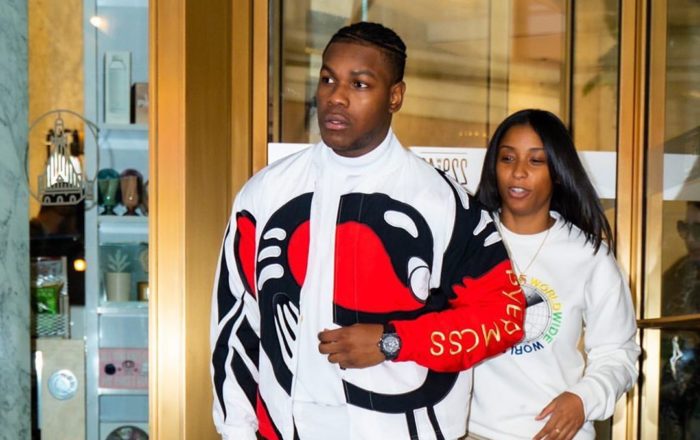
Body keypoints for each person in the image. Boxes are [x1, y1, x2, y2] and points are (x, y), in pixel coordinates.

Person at [210, 22, 525, 440]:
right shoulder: (266, 193)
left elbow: (503, 317)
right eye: (328, 79)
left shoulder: (443, 203)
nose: (336, 97)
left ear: (395, 96)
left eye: (359, 84)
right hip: (286, 428)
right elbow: (235, 322)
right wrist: (236, 430)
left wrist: (392, 342)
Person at [468, 109, 640, 440]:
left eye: (536, 161)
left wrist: (583, 399)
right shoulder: (467, 240)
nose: (518, 172)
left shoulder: (588, 255)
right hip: (474, 430)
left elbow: (619, 353)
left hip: (556, 434)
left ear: (558, 172)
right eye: (507, 158)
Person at [658, 201, 700, 438]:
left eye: (698, 229)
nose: (690, 239)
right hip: (673, 391)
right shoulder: (674, 274)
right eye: (684, 227)